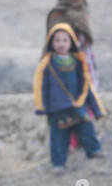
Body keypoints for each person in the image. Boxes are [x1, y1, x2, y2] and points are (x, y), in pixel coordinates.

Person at [33, 23, 105, 173]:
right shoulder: (47, 64)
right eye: (57, 40)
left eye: (65, 40)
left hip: (78, 105)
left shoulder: (78, 62)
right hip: (57, 108)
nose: (61, 44)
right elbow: (41, 86)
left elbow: (87, 86)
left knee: (87, 128)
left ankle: (94, 150)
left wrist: (97, 109)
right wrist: (41, 107)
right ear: (50, 43)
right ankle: (58, 164)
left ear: (71, 42)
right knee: (58, 137)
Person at [46, 0, 98, 86]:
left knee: (89, 86)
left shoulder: (83, 11)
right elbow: (53, 37)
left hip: (85, 53)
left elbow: (86, 33)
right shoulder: (57, 13)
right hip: (65, 55)